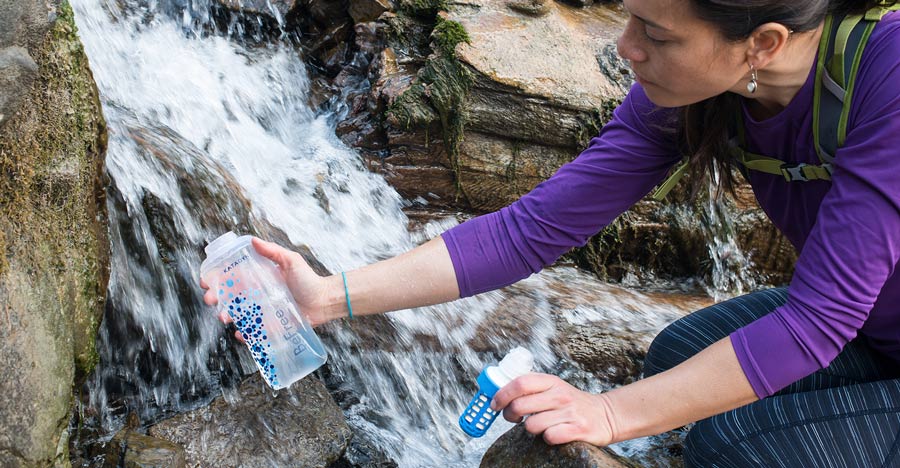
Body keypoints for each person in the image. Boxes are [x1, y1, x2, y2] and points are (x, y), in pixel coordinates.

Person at [201, 0, 900, 465]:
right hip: (879, 330)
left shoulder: (888, 78)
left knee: (733, 442)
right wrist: (328, 295)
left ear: (763, 44)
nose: (624, 48)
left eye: (655, 35)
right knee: (677, 353)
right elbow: (528, 231)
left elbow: (817, 321)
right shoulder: (694, 93)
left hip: (854, 324)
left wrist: (607, 414)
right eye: (629, 18)